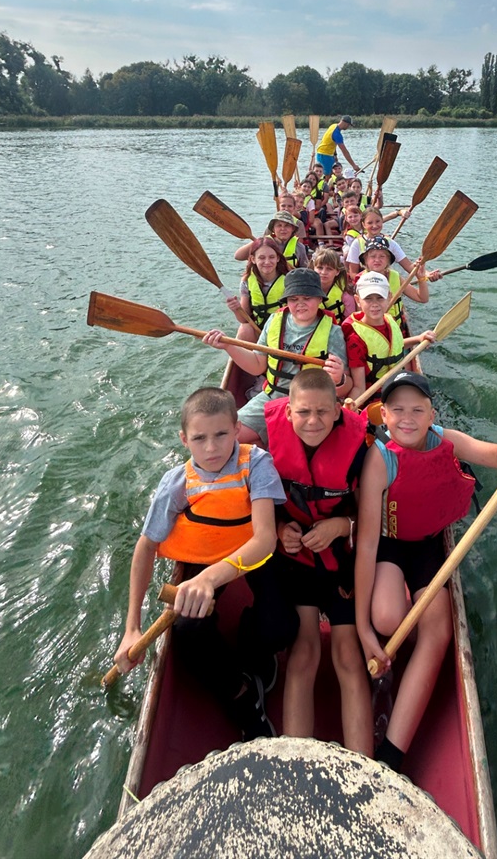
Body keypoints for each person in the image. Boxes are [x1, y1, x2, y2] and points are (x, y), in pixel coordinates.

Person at [354, 372, 497, 772]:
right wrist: (363, 628)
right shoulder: (379, 459)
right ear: (383, 415)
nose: (408, 418)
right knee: (386, 617)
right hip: (387, 543)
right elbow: (366, 544)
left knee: (437, 631)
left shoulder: (444, 438)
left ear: (431, 413)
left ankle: (392, 753)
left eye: (417, 409)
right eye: (397, 410)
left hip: (426, 546)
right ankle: (393, 626)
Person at [113, 387, 287, 741]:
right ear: (184, 439)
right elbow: (146, 547)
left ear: (237, 430)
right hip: (204, 557)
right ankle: (242, 696)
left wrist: (209, 579)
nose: (212, 448)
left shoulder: (256, 463)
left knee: (282, 626)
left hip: (250, 556)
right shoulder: (176, 484)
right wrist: (132, 627)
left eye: (222, 434)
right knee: (188, 633)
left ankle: (252, 644)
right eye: (199, 438)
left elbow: (265, 539)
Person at [262, 369, 373, 754]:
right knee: (304, 651)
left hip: (343, 560)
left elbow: (371, 519)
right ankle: (297, 764)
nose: (313, 422)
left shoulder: (361, 450)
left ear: (339, 411)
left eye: (323, 413)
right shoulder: (267, 447)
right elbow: (263, 509)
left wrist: (342, 525)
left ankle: (365, 770)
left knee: (348, 655)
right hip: (299, 560)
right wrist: (280, 531)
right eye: (304, 413)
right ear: (288, 412)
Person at [203, 267, 350, 446]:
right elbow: (257, 366)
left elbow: (346, 386)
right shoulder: (274, 321)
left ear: (320, 299)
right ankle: (263, 442)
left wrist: (338, 378)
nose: (300, 303)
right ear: (287, 300)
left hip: (311, 405)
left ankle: (267, 442)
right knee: (226, 436)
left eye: (307, 298)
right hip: (271, 396)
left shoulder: (333, 332)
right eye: (294, 299)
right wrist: (228, 346)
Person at [342, 271, 436, 400]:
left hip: (396, 385)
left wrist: (419, 338)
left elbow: (394, 346)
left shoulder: (389, 320)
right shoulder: (355, 339)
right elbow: (359, 387)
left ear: (389, 297)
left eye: (380, 297)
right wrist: (348, 411)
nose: (374, 304)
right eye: (368, 298)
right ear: (358, 300)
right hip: (376, 398)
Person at [357, 235, 431, 336]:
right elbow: (358, 313)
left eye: (382, 256)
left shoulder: (395, 276)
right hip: (373, 333)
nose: (377, 260)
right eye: (373, 256)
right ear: (366, 260)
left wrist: (421, 278)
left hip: (396, 329)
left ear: (388, 260)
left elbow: (422, 298)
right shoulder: (362, 280)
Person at [230, 237, 289, 342]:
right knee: (245, 329)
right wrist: (236, 309)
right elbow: (244, 319)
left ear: (278, 258)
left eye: (271, 257)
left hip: (285, 331)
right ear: (253, 259)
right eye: (261, 258)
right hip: (259, 330)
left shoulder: (289, 281)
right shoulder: (247, 281)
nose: (267, 262)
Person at [234, 212, 309, 269]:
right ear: (273, 229)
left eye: (287, 225)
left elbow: (305, 269)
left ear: (292, 229)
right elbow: (238, 256)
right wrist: (258, 242)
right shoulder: (263, 243)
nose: (283, 229)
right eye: (279, 225)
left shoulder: (299, 247)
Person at [310, 246, 356, 324]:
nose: (324, 272)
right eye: (320, 268)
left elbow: (349, 321)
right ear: (313, 268)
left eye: (329, 269)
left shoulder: (346, 294)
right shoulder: (306, 292)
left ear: (337, 271)